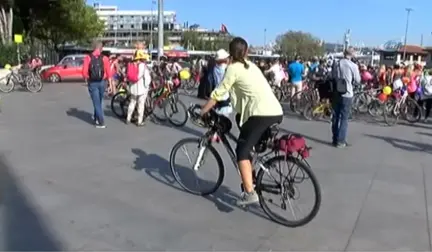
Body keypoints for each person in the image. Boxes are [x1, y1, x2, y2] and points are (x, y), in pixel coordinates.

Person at [200, 37, 283, 205]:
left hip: (260, 114)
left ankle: (250, 193)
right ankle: (250, 177)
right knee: (247, 142)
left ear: (231, 53)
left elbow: (219, 93)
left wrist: (203, 110)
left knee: (241, 152)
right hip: (275, 111)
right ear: (246, 51)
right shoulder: (251, 66)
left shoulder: (233, 69)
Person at [331, 48, 360, 148]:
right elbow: (358, 80)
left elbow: (333, 76)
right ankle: (341, 141)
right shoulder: (353, 65)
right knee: (344, 118)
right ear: (351, 55)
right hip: (347, 93)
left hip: (336, 92)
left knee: (335, 116)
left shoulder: (337, 63)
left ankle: (335, 138)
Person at [82, 41, 112, 128]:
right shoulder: (105, 58)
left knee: (96, 102)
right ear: (101, 48)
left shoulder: (88, 58)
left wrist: (88, 78)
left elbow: (84, 73)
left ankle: (101, 122)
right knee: (99, 101)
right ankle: (96, 118)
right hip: (102, 82)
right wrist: (110, 84)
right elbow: (109, 73)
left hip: (92, 83)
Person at [126, 50, 151, 126]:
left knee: (132, 103)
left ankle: (128, 118)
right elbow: (146, 78)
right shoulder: (143, 65)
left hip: (133, 87)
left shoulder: (131, 63)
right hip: (141, 88)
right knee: (141, 104)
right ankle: (139, 121)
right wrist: (147, 86)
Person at [212, 49, 232, 116]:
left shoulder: (215, 68)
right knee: (223, 120)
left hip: (217, 93)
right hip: (224, 96)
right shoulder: (225, 68)